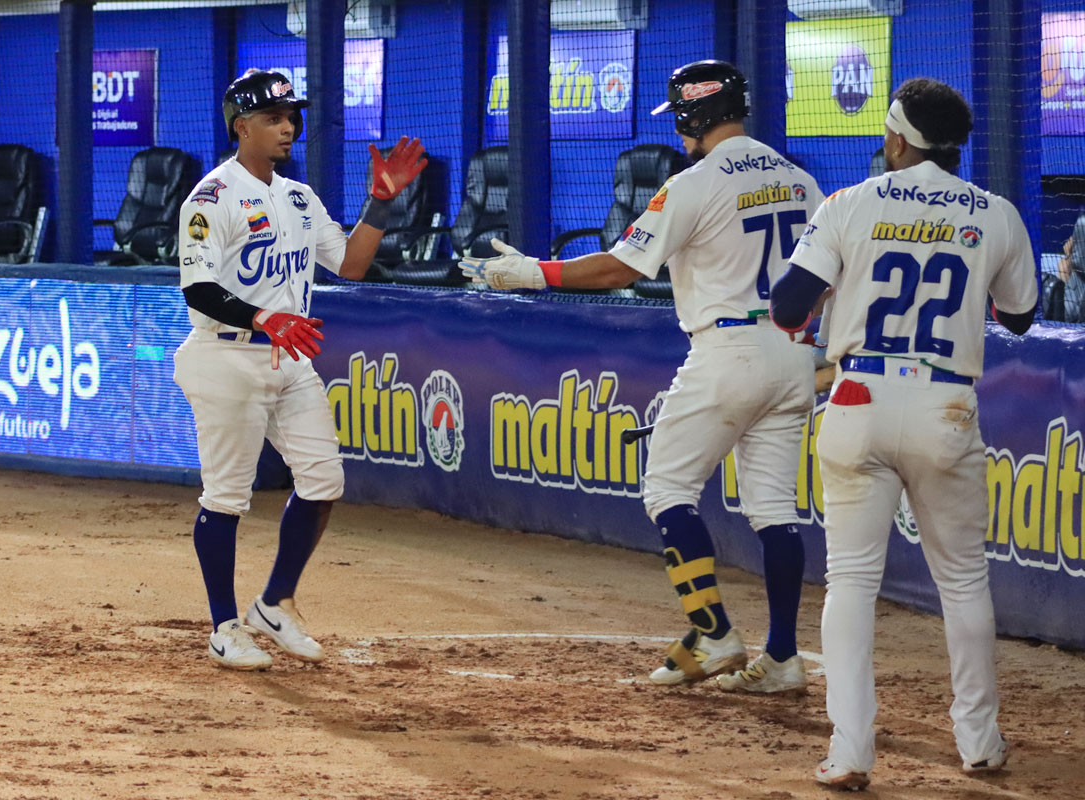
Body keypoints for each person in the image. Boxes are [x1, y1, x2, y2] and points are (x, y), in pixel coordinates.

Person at [461, 60, 824, 693]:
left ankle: (713, 634)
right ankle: (785, 658)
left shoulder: (695, 181)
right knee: (774, 512)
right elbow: (823, 278)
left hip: (726, 350)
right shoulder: (800, 180)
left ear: (692, 113)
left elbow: (619, 269)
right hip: (793, 355)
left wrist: (531, 273)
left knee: (667, 490)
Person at [769, 77, 1038, 790]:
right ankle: (978, 740)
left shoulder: (850, 203)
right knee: (962, 580)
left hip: (858, 395)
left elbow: (787, 307)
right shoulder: (996, 212)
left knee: (852, 583)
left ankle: (850, 750)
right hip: (945, 405)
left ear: (896, 137)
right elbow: (1020, 316)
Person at [174, 69, 427, 670]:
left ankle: (274, 602)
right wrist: (267, 318)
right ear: (242, 128)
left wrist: (382, 202)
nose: (289, 127)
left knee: (323, 480)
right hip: (226, 356)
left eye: (292, 117)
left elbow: (352, 264)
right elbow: (199, 289)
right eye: (273, 118)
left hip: (288, 356)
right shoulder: (210, 198)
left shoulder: (296, 196)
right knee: (228, 498)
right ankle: (223, 627)